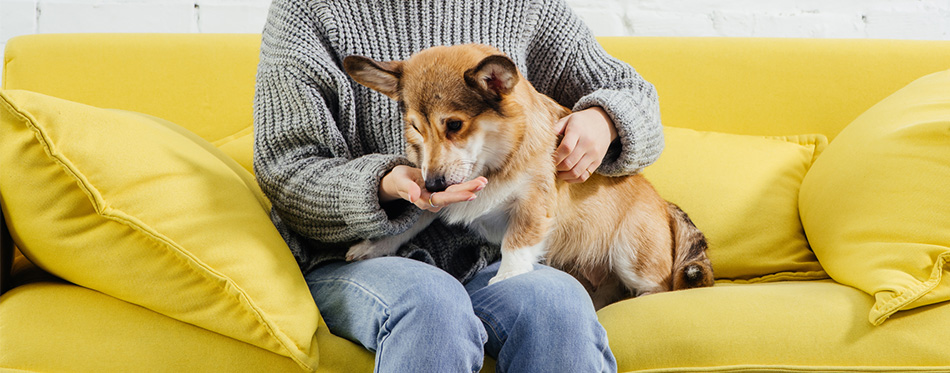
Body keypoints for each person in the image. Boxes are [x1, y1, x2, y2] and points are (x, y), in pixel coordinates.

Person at [253, 0, 663, 371]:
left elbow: (636, 96)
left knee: (556, 303)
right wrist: (383, 186)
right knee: (432, 306)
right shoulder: (307, 12)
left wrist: (605, 120)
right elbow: (285, 168)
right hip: (355, 257)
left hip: (486, 257)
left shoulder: (525, 7)